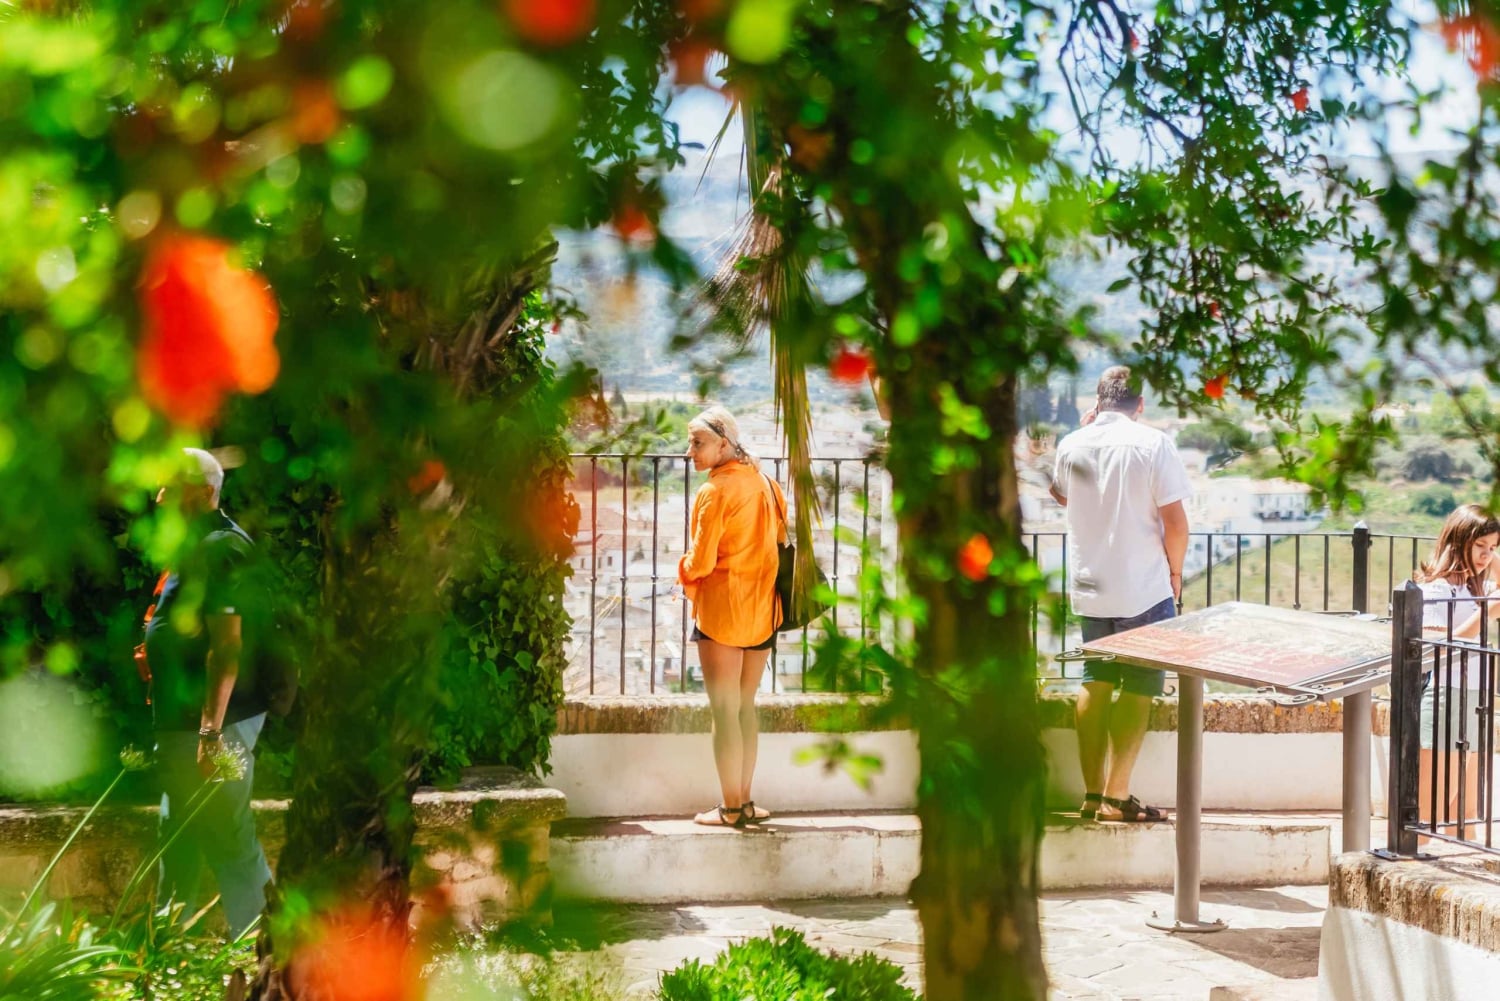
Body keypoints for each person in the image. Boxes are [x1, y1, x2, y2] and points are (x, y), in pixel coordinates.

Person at [1050, 366, 1191, 823]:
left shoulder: (1072, 443)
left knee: (1095, 679)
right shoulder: (1153, 444)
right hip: (1143, 586)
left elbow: (1062, 496)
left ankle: (1092, 795)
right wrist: (1174, 573)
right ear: (1140, 404)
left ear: (1098, 401)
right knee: (1140, 686)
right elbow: (1175, 522)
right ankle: (1116, 796)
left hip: (1092, 586)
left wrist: (1085, 431)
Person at [144, 448, 272, 935]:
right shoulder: (195, 547)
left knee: (228, 838)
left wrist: (209, 733)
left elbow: (228, 647)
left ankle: (270, 956)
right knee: (176, 837)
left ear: (202, 493)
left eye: (170, 487)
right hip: (184, 724)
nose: (159, 498)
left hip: (215, 726)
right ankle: (170, 952)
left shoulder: (222, 549)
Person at [678, 406, 785, 828]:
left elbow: (701, 562)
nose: (690, 451)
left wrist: (682, 570)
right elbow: (779, 539)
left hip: (723, 612)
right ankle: (745, 803)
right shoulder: (766, 483)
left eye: (697, 443)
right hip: (763, 611)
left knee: (724, 713)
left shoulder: (715, 491)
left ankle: (731, 809)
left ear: (724, 444)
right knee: (745, 709)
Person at [1410, 503, 1500, 826]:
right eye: (1479, 545)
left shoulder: (1475, 589)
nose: (1486, 555)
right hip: (1446, 697)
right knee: (1432, 810)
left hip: (1474, 697)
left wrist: (1488, 554)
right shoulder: (1437, 589)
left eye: (1493, 548)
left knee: (1464, 812)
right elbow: (1439, 648)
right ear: (1458, 541)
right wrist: (1487, 611)